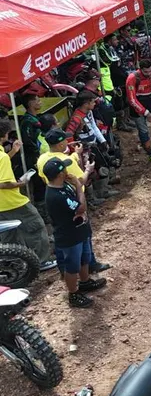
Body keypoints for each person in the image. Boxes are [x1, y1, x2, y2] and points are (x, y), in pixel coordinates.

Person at [43, 157, 106, 308]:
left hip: (80, 230)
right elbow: (81, 207)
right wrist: (78, 186)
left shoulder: (63, 184)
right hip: (70, 236)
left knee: (84, 258)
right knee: (72, 266)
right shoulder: (56, 195)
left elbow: (80, 184)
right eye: (64, 168)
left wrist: (86, 172)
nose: (67, 170)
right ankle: (73, 294)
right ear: (60, 174)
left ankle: (85, 282)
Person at [0, 119, 53, 270]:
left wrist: (13, 151)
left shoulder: (3, 154)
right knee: (35, 225)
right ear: (5, 135)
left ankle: (14, 267)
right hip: (11, 201)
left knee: (9, 235)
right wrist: (20, 183)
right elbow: (3, 183)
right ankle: (41, 261)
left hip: (1, 206)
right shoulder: (2, 157)